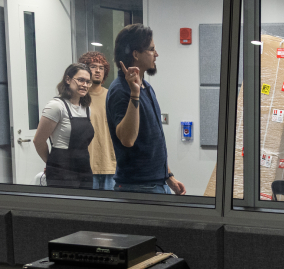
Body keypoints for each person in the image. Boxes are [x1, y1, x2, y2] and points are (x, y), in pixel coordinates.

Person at [106, 24, 186, 195]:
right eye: (151, 49)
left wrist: (168, 176)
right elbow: (127, 139)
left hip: (156, 183)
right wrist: (134, 94)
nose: (156, 54)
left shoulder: (146, 87)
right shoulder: (121, 90)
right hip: (137, 187)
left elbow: (153, 139)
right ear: (135, 54)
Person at [32, 63, 94, 189]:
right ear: (68, 79)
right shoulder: (56, 106)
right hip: (61, 170)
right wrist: (51, 164)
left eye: (88, 82)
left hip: (84, 168)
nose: (85, 85)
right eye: (81, 80)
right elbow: (38, 141)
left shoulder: (87, 109)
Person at [79, 50, 117, 190]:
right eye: (93, 66)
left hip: (111, 164)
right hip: (86, 166)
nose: (98, 71)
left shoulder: (112, 96)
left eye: (101, 68)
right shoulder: (79, 97)